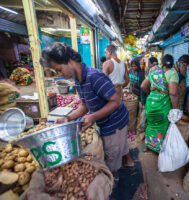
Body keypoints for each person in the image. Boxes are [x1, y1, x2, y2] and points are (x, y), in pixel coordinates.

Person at [39, 42, 133, 175]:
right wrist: (68, 118)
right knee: (120, 145)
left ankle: (112, 179)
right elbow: (85, 106)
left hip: (114, 122)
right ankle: (128, 161)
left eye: (59, 69)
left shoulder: (93, 76)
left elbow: (116, 101)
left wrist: (93, 117)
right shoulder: (78, 80)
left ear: (70, 61)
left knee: (111, 156)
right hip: (107, 121)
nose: (60, 74)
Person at [141, 54, 179, 152]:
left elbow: (143, 86)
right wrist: (175, 109)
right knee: (162, 127)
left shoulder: (154, 73)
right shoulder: (172, 74)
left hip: (150, 105)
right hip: (162, 106)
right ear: (172, 64)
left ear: (162, 63)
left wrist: (151, 94)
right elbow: (173, 93)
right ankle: (159, 149)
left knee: (150, 125)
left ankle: (147, 145)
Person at [128, 58, 147, 132]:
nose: (133, 68)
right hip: (132, 93)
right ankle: (132, 125)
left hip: (139, 94)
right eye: (132, 66)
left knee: (139, 110)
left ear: (138, 66)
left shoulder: (141, 73)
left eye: (135, 66)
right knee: (133, 111)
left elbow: (142, 87)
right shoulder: (130, 71)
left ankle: (138, 126)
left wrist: (142, 99)